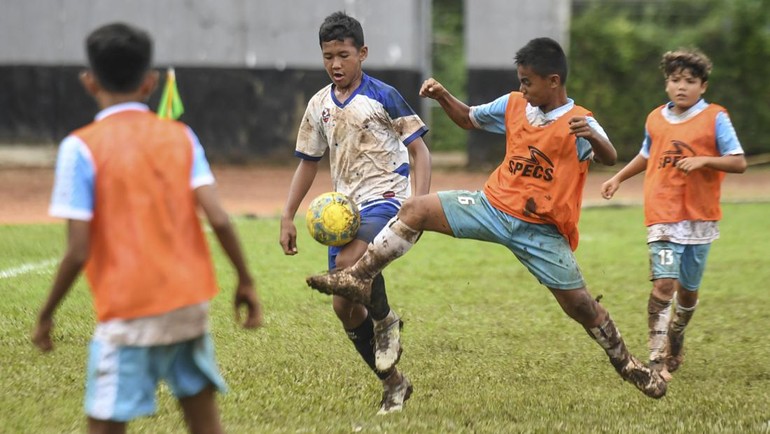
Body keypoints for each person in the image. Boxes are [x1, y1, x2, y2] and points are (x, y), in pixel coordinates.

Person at [308, 37, 668, 399]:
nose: (522, 89)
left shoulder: (580, 121)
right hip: (491, 206)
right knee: (415, 209)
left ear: (553, 81)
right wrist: (443, 96)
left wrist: (593, 136)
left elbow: (609, 156)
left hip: (541, 230)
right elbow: (468, 118)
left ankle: (628, 365)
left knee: (581, 306)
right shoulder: (513, 104)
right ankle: (359, 278)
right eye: (520, 81)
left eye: (527, 82)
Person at [31, 22, 263, 434]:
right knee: (203, 418)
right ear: (150, 82)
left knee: (106, 421)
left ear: (89, 81)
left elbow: (78, 250)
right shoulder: (181, 136)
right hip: (189, 301)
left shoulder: (79, 147)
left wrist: (46, 314)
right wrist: (245, 280)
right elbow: (219, 218)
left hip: (128, 308)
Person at [279, 11, 431, 415]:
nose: (335, 64)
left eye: (343, 55)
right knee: (343, 306)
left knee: (350, 265)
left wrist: (419, 202)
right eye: (328, 56)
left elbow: (419, 151)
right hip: (344, 210)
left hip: (387, 198)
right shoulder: (318, 105)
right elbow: (308, 163)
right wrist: (287, 215)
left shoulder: (383, 95)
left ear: (362, 53)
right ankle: (394, 384)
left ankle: (385, 319)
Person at [601, 49, 746, 380]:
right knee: (664, 284)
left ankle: (676, 335)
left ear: (703, 86)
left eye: (690, 81)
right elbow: (646, 154)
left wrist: (704, 160)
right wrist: (618, 177)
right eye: (675, 80)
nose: (682, 87)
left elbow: (738, 161)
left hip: (700, 217)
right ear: (666, 83)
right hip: (662, 213)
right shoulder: (655, 118)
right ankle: (656, 360)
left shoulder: (716, 117)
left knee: (688, 292)